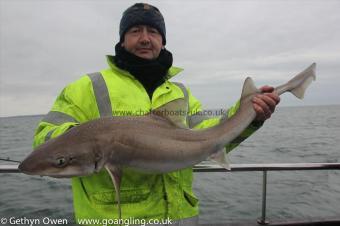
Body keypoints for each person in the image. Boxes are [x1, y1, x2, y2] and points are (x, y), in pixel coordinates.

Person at [33, 3, 280, 226]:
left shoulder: (179, 92)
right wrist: (95, 140)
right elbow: (45, 138)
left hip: (181, 217)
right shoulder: (87, 87)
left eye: (152, 32)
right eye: (135, 31)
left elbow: (211, 134)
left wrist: (251, 115)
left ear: (162, 41)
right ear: (121, 40)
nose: (144, 38)